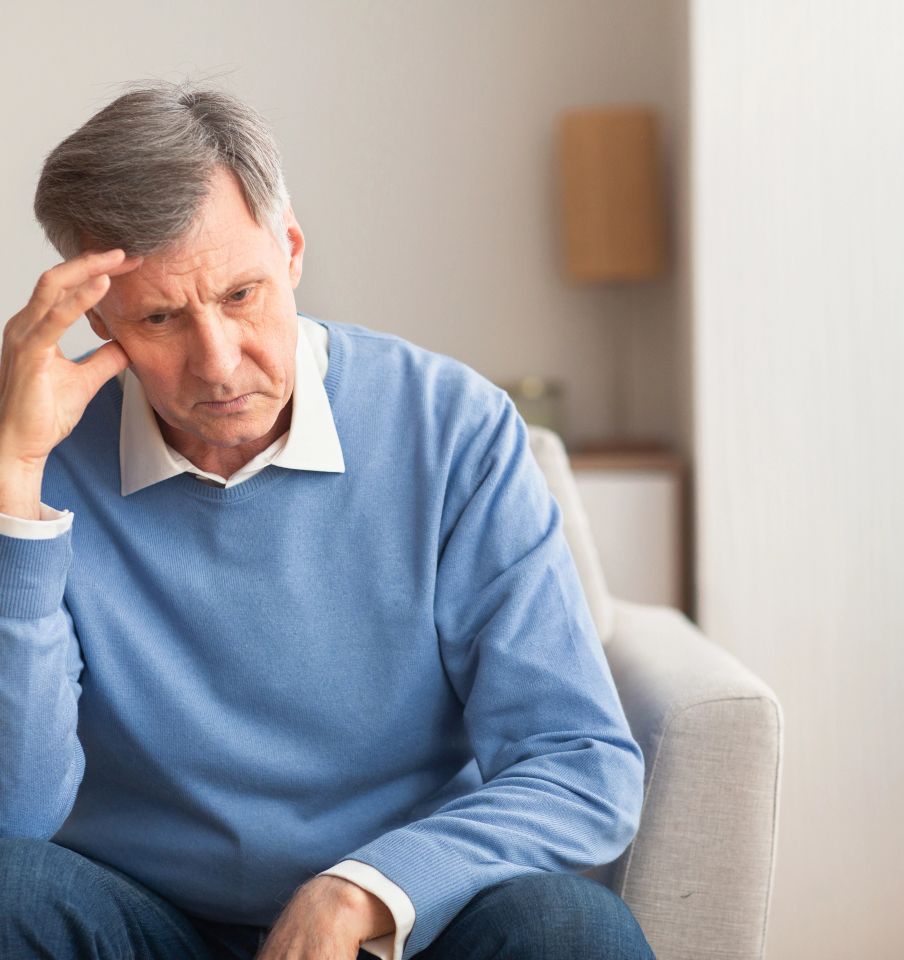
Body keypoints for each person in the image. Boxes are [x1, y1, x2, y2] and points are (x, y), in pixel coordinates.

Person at [0, 82, 655, 960]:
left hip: (397, 925)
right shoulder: (40, 457)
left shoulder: (450, 427)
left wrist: (363, 890)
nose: (217, 362)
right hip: (145, 924)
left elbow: (579, 761)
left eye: (241, 294)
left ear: (292, 250)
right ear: (97, 318)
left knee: (573, 930)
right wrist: (15, 489)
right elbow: (17, 816)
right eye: (159, 318)